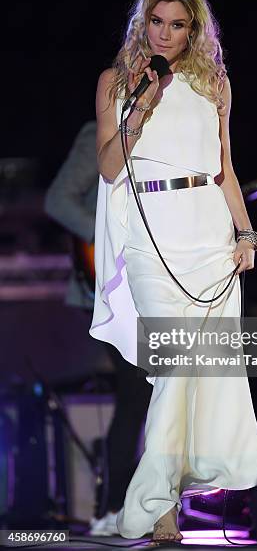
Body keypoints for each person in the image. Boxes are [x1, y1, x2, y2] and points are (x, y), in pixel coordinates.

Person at [89, 0, 257, 543]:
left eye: (177, 24)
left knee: (200, 377)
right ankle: (153, 505)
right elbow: (111, 168)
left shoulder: (215, 82)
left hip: (208, 235)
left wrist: (245, 233)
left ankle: (161, 501)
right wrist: (141, 110)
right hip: (149, 235)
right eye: (156, 22)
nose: (164, 34)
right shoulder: (117, 82)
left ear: (194, 30)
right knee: (173, 369)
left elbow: (225, 170)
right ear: (143, 24)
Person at [44, 121, 152, 535]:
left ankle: (135, 503)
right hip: (108, 285)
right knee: (137, 391)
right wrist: (109, 239)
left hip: (150, 284)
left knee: (150, 393)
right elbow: (57, 201)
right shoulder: (99, 133)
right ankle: (114, 505)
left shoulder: (171, 130)